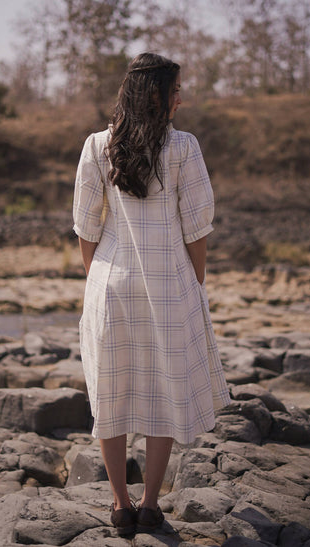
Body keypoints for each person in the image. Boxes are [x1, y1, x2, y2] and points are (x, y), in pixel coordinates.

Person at [73, 52, 230, 536]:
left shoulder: (98, 145)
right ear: (158, 95)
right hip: (169, 283)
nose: (181, 98)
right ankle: (150, 505)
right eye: (177, 90)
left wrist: (96, 278)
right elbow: (197, 228)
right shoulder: (184, 147)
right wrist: (196, 284)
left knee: (111, 392)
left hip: (111, 284)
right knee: (164, 392)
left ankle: (119, 505)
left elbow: (86, 225)